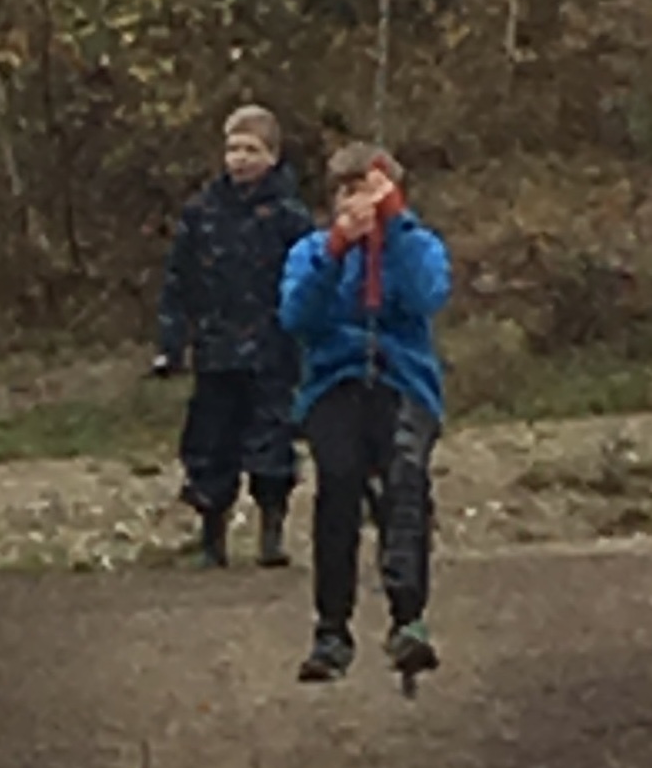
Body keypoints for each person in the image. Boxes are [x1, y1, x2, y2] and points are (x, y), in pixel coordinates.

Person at [278, 140, 451, 684]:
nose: (357, 201)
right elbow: (296, 315)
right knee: (339, 480)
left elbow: (427, 295)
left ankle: (408, 616)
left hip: (403, 382)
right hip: (336, 382)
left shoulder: (418, 245)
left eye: (368, 191)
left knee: (406, 479)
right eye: (347, 191)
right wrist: (336, 251)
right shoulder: (310, 251)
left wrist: (393, 231)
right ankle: (332, 628)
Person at [153, 105, 312, 569]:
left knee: (272, 441)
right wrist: (171, 343)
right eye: (233, 148)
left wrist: (308, 340)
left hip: (273, 351)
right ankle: (212, 538)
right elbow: (178, 282)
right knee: (209, 444)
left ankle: (271, 533)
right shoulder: (201, 213)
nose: (240, 158)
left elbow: (310, 284)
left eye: (251, 149)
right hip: (215, 350)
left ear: (273, 156)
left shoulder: (290, 217)